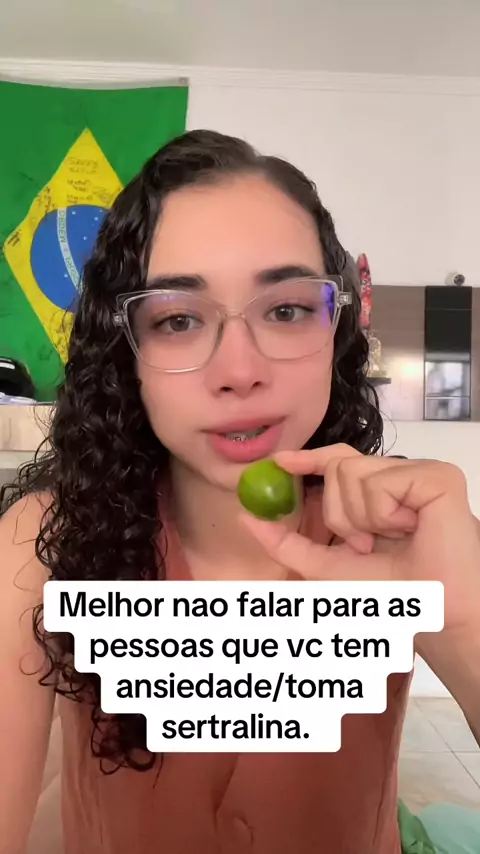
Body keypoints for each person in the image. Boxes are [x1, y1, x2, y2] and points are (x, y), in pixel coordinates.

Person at [1, 129, 479, 854]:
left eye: (285, 310)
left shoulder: (401, 533)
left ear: (337, 324)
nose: (239, 370)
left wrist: (464, 623)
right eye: (178, 319)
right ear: (127, 352)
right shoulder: (40, 544)